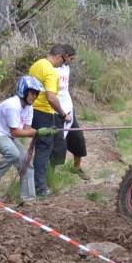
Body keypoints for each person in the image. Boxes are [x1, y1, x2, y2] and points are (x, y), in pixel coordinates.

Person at [0, 75, 57, 203]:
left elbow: (26, 129)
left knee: (26, 163)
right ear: (24, 90)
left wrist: (43, 131)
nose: (35, 97)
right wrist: (38, 132)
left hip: (8, 136)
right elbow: (16, 132)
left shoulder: (29, 108)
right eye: (32, 93)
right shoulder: (13, 105)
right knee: (13, 153)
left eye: (37, 94)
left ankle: (28, 201)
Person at [28, 44, 72, 197]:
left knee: (38, 148)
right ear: (59, 56)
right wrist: (63, 114)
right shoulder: (51, 73)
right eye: (63, 61)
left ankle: (34, 182)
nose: (62, 65)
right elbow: (51, 98)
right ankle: (40, 188)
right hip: (44, 113)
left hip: (32, 111)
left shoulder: (36, 65)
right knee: (44, 150)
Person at [50, 44, 89, 180]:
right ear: (64, 56)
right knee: (58, 144)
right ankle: (50, 176)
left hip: (69, 109)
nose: (73, 62)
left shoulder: (67, 68)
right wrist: (61, 113)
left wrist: (69, 111)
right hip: (57, 111)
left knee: (78, 138)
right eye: (71, 59)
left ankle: (76, 168)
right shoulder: (51, 70)